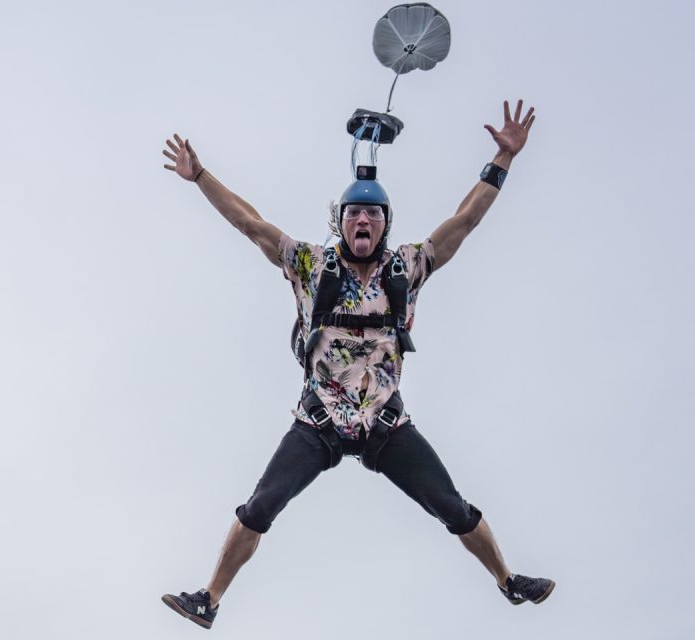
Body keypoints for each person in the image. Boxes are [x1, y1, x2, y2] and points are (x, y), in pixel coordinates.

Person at [160, 100, 552, 630]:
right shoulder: (310, 265)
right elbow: (249, 223)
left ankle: (507, 581)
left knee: (452, 507)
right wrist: (201, 175)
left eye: (371, 215)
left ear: (384, 225)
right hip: (318, 419)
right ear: (340, 223)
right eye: (353, 214)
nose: (362, 220)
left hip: (384, 424)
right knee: (260, 506)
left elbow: (465, 221)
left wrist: (502, 161)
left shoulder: (406, 267)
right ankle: (208, 598)